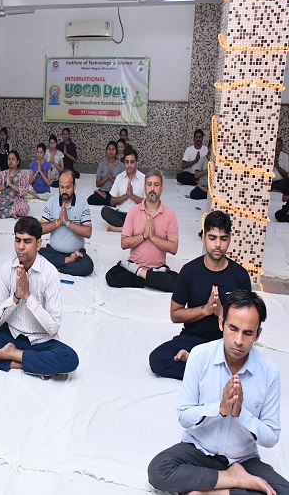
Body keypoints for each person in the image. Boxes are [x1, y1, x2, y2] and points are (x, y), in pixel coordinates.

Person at [148, 291, 289, 495]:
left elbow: (271, 437)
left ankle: (211, 490)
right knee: (159, 470)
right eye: (233, 329)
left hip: (243, 459)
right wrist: (220, 409)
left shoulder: (269, 373)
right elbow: (184, 416)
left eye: (248, 333)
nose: (239, 340)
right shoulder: (199, 356)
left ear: (258, 334)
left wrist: (241, 414)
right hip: (199, 451)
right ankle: (232, 481)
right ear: (221, 323)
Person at [0, 216, 79, 378]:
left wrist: (28, 296)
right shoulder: (7, 269)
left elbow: (53, 328)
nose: (21, 247)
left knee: (70, 359)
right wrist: (16, 297)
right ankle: (24, 363)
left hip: (40, 341)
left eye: (27, 241)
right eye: (18, 240)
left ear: (38, 244)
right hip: (10, 336)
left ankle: (13, 355)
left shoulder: (49, 273)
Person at [149, 211, 251, 380]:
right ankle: (211, 369)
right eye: (212, 238)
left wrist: (221, 312)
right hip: (192, 338)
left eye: (223, 238)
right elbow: (175, 314)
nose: (218, 244)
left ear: (229, 239)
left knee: (247, 363)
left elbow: (247, 321)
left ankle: (195, 364)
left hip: (225, 342)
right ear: (204, 238)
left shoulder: (240, 276)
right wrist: (205, 310)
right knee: (158, 359)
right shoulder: (190, 271)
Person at [105, 168, 179, 292]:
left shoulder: (169, 214)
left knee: (177, 282)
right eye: (149, 184)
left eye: (156, 185)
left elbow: (173, 248)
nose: (152, 189)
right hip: (134, 265)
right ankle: (149, 279)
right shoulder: (134, 211)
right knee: (111, 277)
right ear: (144, 187)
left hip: (158, 269)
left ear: (161, 188)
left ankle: (141, 276)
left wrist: (154, 237)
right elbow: (124, 243)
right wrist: (143, 236)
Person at [39, 170, 94, 277]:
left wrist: (68, 223)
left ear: (74, 186)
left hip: (76, 254)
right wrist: (58, 222)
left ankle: (56, 267)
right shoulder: (52, 201)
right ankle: (67, 262)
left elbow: (88, 232)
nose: (64, 191)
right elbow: (40, 229)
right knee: (34, 254)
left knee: (88, 266)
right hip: (54, 251)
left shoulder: (82, 203)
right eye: (61, 187)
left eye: (68, 187)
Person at [100, 150, 145, 232]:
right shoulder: (119, 177)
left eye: (132, 162)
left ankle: (122, 228)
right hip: (121, 214)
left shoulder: (144, 179)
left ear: (137, 163)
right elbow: (112, 201)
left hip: (136, 215)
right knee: (105, 211)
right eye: (127, 162)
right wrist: (125, 196)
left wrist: (132, 196)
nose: (129, 165)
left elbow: (147, 203)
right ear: (124, 163)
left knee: (148, 217)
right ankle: (129, 227)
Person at [0, 150, 30, 219]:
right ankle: (11, 213)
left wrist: (11, 184)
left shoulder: (22, 174)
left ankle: (2, 213)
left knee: (24, 208)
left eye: (13, 159)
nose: (11, 161)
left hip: (17, 202)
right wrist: (5, 185)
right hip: (3, 202)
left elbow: (24, 191)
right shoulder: (3, 174)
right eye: (9, 159)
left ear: (17, 162)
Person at [87, 141, 125, 206]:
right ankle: (106, 198)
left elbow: (122, 186)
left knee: (122, 202)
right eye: (109, 149)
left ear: (116, 151)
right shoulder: (101, 164)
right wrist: (107, 177)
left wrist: (111, 178)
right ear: (106, 151)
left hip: (115, 193)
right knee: (90, 200)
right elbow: (98, 184)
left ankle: (104, 197)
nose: (111, 152)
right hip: (103, 190)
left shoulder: (121, 165)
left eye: (113, 149)